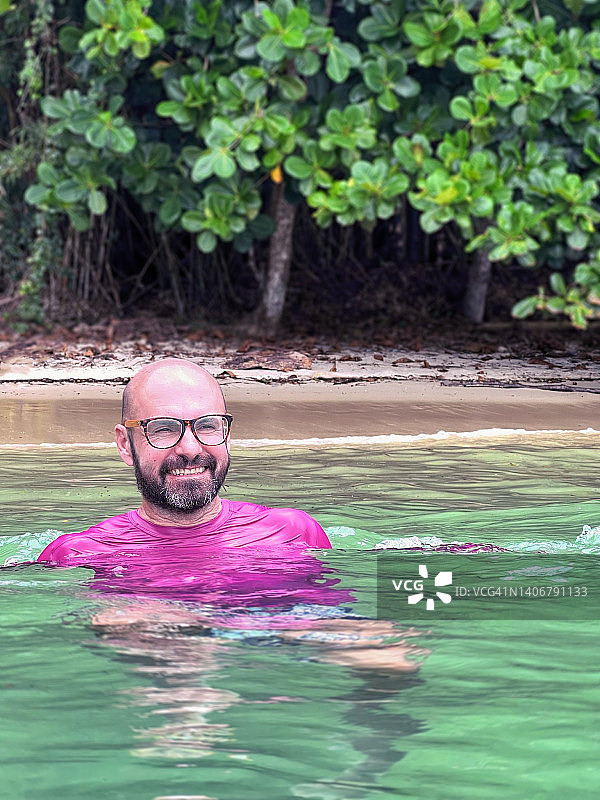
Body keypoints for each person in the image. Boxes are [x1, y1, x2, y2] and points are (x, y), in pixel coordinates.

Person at [37, 357, 331, 566]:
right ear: (125, 445)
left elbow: (339, 634)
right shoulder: (76, 554)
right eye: (163, 428)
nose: (190, 448)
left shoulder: (296, 533)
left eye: (207, 426)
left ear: (227, 436)